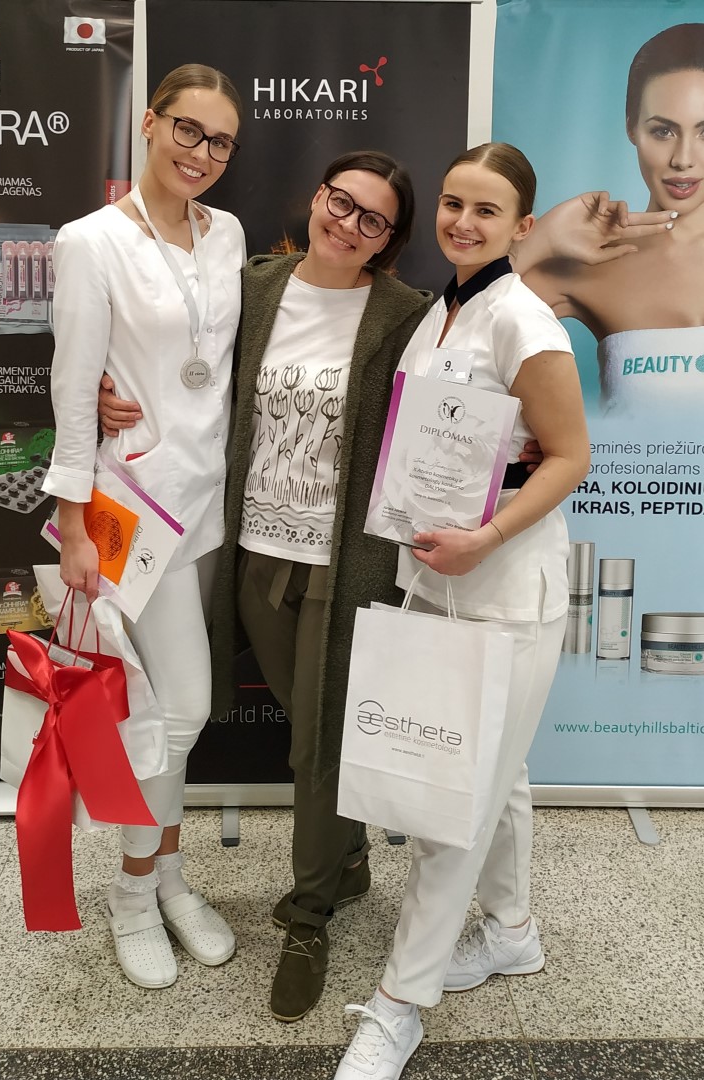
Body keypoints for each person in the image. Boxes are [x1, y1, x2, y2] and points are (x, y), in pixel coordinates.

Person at [98, 150, 547, 1021]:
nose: (348, 224)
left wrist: (518, 445)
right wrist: (104, 392)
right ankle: (345, 865)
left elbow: (466, 403)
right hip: (248, 551)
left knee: (320, 749)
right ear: (316, 198)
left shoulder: (408, 314)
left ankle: (308, 917)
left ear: (389, 241)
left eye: (373, 220)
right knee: (297, 724)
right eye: (341, 203)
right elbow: (169, 356)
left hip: (344, 565)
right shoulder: (253, 286)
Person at [334, 142, 590, 1080]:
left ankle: (400, 1006)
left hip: (504, 596)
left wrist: (485, 537)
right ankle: (511, 931)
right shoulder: (440, 312)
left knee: (451, 802)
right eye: (451, 203)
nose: (462, 222)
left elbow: (571, 456)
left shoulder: (523, 321)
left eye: (486, 210)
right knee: (495, 775)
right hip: (436, 583)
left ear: (523, 226)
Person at [41, 64, 246, 990]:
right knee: (179, 708)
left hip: (204, 509)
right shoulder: (90, 241)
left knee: (165, 712)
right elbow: (70, 385)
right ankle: (134, 892)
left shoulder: (226, 234)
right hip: (130, 511)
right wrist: (73, 521)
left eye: (221, 141)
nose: (202, 153)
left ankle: (165, 876)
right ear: (152, 125)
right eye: (188, 131)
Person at [515, 23, 704, 412]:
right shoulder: (591, 263)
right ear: (631, 127)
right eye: (663, 131)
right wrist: (540, 240)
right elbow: (457, 352)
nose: (683, 159)